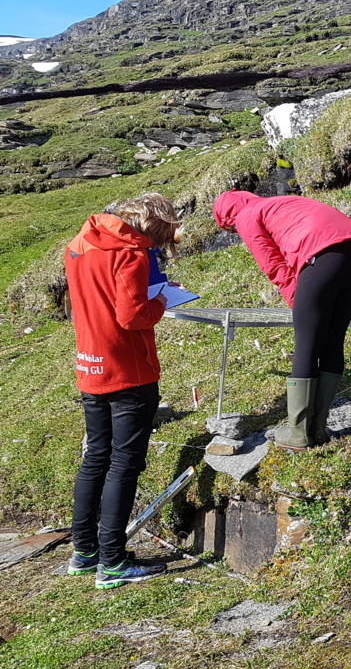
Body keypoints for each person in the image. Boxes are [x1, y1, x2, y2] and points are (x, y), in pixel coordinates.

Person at [65, 192, 182, 588]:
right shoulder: (130, 253)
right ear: (152, 228)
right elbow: (132, 317)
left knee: (95, 456)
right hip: (128, 371)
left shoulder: (80, 244)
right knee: (124, 463)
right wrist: (163, 299)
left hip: (90, 364)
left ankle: (85, 552)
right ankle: (112, 562)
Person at [213, 190, 351, 452]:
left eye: (231, 229)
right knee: (333, 340)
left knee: (308, 343)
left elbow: (274, 266)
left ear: (229, 217)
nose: (236, 232)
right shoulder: (280, 203)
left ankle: (298, 434)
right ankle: (318, 429)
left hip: (323, 256)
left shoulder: (245, 215)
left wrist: (299, 305)